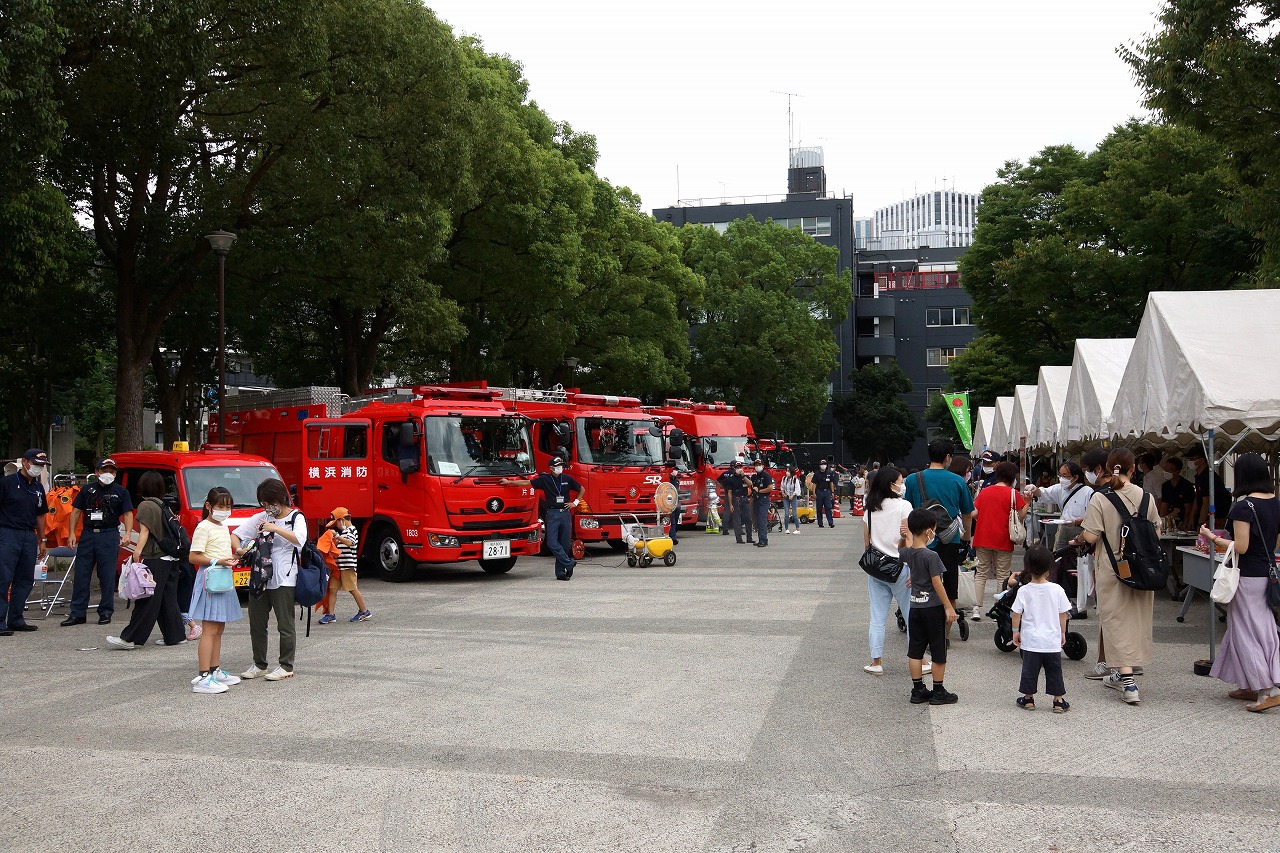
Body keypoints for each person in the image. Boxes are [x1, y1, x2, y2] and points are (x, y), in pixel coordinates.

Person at [1076, 448, 1158, 705]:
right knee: (1136, 620)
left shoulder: (1101, 498)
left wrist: (1078, 537)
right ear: (1133, 468)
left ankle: (1128, 682)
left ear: (1109, 468)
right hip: (1142, 569)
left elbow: (1090, 536)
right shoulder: (1147, 497)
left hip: (1113, 569)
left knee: (1114, 621)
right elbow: (1156, 532)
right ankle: (1124, 672)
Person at [1200, 453, 1280, 713]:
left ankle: (1267, 690)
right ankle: (1249, 684)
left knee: (1246, 632)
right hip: (1267, 574)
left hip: (1246, 576)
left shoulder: (1244, 507)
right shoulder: (1276, 503)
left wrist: (1212, 537)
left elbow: (1241, 546)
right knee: (1262, 629)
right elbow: (1276, 543)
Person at [234, 478, 306, 680]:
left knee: (285, 624)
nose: (267, 507)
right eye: (263, 503)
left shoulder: (296, 517)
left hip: (284, 577)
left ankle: (286, 666)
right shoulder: (262, 517)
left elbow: (300, 539)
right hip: (260, 576)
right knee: (257, 622)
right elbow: (236, 534)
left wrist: (275, 528)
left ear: (279, 498)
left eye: (269, 502)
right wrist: (240, 550)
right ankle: (259, 664)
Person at [903, 438, 975, 635]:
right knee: (950, 586)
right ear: (947, 457)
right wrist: (966, 536)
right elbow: (967, 514)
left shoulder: (913, 479)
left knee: (921, 585)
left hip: (921, 541)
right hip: (949, 539)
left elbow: (907, 511)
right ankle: (944, 634)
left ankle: (922, 629)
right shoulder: (957, 481)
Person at [107, 471, 185, 648]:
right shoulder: (164, 505)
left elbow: (144, 530)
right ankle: (175, 635)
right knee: (167, 598)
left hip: (156, 557)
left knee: (147, 598)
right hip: (171, 557)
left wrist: (137, 552)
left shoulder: (146, 505)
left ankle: (131, 638)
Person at [63, 457, 134, 627]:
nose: (108, 473)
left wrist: (128, 533)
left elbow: (128, 513)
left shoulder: (121, 492)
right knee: (81, 574)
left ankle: (105, 612)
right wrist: (71, 533)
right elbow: (76, 511)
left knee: (107, 575)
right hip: (88, 534)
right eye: (104, 470)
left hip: (108, 534)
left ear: (115, 473)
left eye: (111, 471)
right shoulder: (87, 490)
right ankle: (77, 613)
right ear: (96, 472)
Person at [863, 466, 920, 676]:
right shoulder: (904, 506)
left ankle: (876, 662)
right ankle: (919, 660)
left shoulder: (870, 508)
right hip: (901, 568)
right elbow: (909, 542)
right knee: (911, 615)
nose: (902, 484)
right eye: (900, 481)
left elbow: (867, 544)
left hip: (877, 569)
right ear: (891, 485)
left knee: (877, 617)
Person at [186, 487, 244, 694]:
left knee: (218, 629)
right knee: (210, 630)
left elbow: (220, 553)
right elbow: (193, 556)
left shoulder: (221, 526)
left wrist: (234, 556)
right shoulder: (204, 527)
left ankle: (214, 670)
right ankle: (203, 676)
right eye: (221, 506)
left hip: (222, 579)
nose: (225, 511)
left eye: (228, 507)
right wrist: (218, 561)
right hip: (211, 580)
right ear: (209, 506)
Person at [902, 509, 958, 705]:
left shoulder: (908, 553)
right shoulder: (931, 556)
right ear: (928, 531)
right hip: (932, 608)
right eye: (933, 529)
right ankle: (938, 690)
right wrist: (948, 606)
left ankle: (918, 690)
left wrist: (905, 537)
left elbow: (903, 548)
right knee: (938, 650)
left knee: (915, 650)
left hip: (915, 607)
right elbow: (937, 582)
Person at [1011, 543, 1072, 713]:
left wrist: (1015, 632)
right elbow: (1063, 613)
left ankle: (1028, 699)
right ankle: (1058, 701)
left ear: (1027, 568)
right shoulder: (1057, 590)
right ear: (1049, 567)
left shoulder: (1024, 591)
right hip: (1051, 640)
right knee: (1054, 670)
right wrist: (1062, 632)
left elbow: (1016, 613)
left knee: (1029, 670)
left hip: (1031, 640)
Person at [502, 457, 582, 579]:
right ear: (551, 468)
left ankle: (561, 572)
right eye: (557, 466)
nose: (560, 468)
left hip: (565, 513)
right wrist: (509, 482)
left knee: (565, 544)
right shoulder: (545, 479)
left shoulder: (567, 479)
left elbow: (581, 489)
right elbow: (527, 483)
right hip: (553, 513)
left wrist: (575, 503)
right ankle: (568, 563)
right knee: (552, 542)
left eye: (561, 465)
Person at [0, 449, 50, 635]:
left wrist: (42, 539)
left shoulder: (38, 488)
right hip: (7, 533)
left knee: (25, 578)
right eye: (36, 464)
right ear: (25, 462)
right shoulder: (6, 483)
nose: (39, 468)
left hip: (29, 534)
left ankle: (16, 618)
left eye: (42, 465)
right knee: (3, 577)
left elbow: (40, 515)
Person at [970, 461, 1028, 620]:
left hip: (983, 537)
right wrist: (1028, 502)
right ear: (1012, 477)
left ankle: (976, 608)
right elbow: (1021, 516)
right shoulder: (1013, 493)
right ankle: (998, 608)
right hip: (1004, 538)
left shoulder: (985, 491)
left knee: (981, 573)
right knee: (1002, 575)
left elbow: (974, 513)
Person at [317, 507, 369, 624]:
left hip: (347, 566)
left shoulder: (351, 530)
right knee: (332, 589)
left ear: (342, 520)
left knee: (352, 589)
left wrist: (336, 536)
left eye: (337, 523)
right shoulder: (344, 532)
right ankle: (330, 614)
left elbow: (350, 542)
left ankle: (364, 611)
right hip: (339, 568)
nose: (337, 526)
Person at [1024, 461, 1092, 550]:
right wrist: (1034, 489)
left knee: (1078, 554)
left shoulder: (1087, 492)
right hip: (1063, 528)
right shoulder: (1059, 488)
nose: (1062, 479)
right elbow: (1043, 493)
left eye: (1065, 476)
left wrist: (1075, 522)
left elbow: (1092, 518)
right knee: (1059, 553)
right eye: (1060, 475)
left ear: (1075, 477)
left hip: (1080, 529)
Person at [1187, 444, 1232, 530]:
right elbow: (1197, 498)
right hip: (1207, 517)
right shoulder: (1199, 476)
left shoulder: (1208, 477)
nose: (1190, 462)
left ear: (1201, 460)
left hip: (1215, 518)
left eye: (1192, 459)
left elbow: (1206, 503)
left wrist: (1201, 524)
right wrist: (1192, 518)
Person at [1157, 456, 1196, 530]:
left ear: (1177, 471)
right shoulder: (1166, 486)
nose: (1166, 471)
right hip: (1171, 520)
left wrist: (1186, 524)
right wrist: (1162, 522)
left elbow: (1188, 508)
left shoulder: (1186, 486)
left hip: (1185, 519)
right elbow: (1164, 505)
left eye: (1169, 470)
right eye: (1165, 469)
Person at [724, 460, 753, 544]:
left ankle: (749, 538)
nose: (739, 469)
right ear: (734, 468)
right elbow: (729, 492)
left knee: (748, 519)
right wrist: (730, 505)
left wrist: (743, 476)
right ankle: (739, 539)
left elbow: (750, 484)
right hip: (735, 499)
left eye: (740, 467)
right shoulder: (731, 479)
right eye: (737, 467)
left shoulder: (745, 477)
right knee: (737, 520)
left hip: (744, 499)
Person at [748, 459, 773, 547]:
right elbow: (752, 487)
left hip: (763, 499)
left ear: (762, 465)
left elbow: (770, 488)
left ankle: (763, 540)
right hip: (756, 499)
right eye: (756, 465)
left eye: (759, 464)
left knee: (762, 520)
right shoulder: (754, 477)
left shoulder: (766, 476)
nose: (757, 466)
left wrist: (759, 491)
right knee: (757, 520)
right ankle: (760, 539)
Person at [811, 459, 838, 528]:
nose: (823, 466)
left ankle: (830, 522)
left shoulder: (829, 473)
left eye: (824, 464)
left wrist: (832, 492)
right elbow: (814, 484)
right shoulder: (816, 474)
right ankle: (820, 523)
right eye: (822, 464)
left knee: (828, 507)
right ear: (819, 465)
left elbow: (831, 483)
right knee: (819, 508)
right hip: (819, 491)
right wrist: (814, 493)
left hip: (827, 491)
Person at [780, 465, 803, 534]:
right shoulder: (784, 478)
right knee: (786, 514)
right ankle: (786, 528)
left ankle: (797, 529)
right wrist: (783, 493)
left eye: (788, 471)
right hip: (786, 497)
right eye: (787, 471)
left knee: (794, 513)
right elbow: (782, 487)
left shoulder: (795, 480)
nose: (787, 472)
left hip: (793, 497)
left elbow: (797, 490)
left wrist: (792, 495)